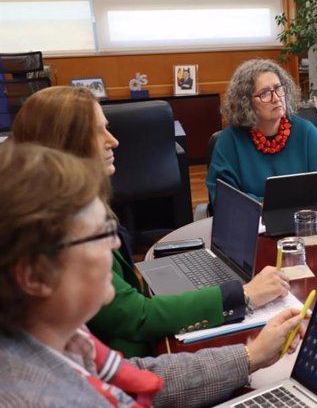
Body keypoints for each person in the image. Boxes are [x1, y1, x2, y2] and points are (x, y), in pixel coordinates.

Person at [0, 141, 306, 407]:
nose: (116, 243)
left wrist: (252, 355)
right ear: (34, 276)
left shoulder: (59, 340)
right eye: (99, 234)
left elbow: (142, 375)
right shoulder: (35, 397)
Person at [11, 86, 290, 357]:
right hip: (135, 359)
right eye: (98, 131)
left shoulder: (77, 204)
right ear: (63, 143)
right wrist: (242, 295)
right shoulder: (62, 228)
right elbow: (135, 316)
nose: (113, 140)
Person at [206, 58, 317, 202]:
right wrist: (277, 204)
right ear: (246, 102)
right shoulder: (229, 141)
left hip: (304, 220)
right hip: (251, 221)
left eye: (278, 88)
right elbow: (225, 198)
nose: (276, 98)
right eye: (264, 93)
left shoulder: (306, 132)